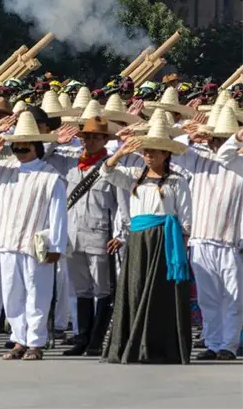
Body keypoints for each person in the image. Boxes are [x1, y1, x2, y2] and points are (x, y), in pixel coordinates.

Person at [0, 111, 68, 361]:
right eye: (17, 147)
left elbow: (58, 214)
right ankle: (18, 340)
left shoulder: (49, 175)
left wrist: (56, 246)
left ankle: (35, 342)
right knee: (12, 294)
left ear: (36, 147)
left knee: (37, 293)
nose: (20, 151)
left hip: (36, 244)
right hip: (7, 240)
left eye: (25, 147)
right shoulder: (2, 168)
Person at [100, 117, 192, 364]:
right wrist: (120, 153)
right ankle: (132, 344)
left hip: (164, 239)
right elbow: (106, 171)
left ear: (165, 153)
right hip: (138, 239)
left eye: (154, 151)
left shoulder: (177, 180)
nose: (149, 155)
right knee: (135, 287)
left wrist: (181, 250)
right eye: (146, 151)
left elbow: (185, 219)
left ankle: (158, 346)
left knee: (161, 294)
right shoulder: (133, 176)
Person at [43, 116, 130, 357]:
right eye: (86, 137)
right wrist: (55, 140)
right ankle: (82, 337)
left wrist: (121, 235)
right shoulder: (70, 163)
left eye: (95, 137)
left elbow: (122, 206)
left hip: (100, 235)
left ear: (104, 139)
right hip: (72, 235)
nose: (89, 141)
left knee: (103, 289)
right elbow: (44, 157)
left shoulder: (111, 167)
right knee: (81, 290)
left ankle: (96, 339)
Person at [183, 107, 243, 360]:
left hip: (229, 240)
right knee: (208, 298)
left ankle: (229, 345)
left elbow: (228, 154)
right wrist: (188, 137)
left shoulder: (238, 161)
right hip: (201, 236)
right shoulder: (197, 158)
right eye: (213, 138)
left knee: (233, 296)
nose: (215, 143)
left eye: (219, 138)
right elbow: (171, 154)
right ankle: (213, 342)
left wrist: (236, 139)